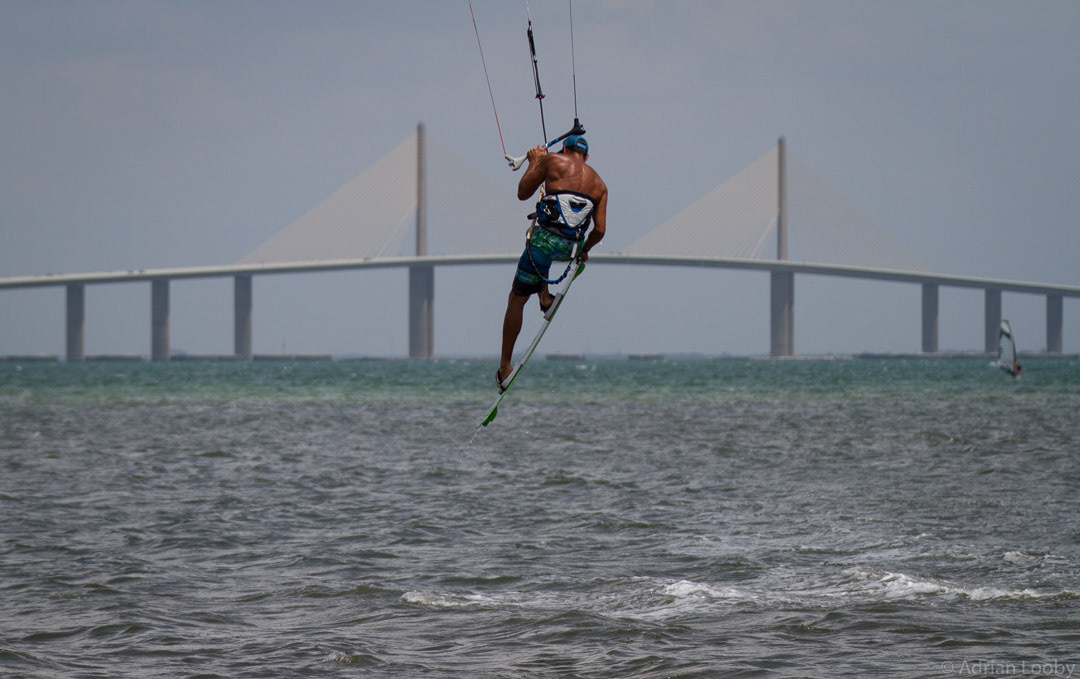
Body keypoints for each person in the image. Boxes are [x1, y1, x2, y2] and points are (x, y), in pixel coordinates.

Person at [497, 134, 608, 390]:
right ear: (586, 157)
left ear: (565, 149)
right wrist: (585, 250)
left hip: (544, 243)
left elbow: (523, 193)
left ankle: (504, 367)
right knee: (548, 238)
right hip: (571, 247)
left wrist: (533, 162)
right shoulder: (600, 184)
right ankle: (545, 299)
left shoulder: (552, 160)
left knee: (517, 298)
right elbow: (600, 229)